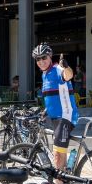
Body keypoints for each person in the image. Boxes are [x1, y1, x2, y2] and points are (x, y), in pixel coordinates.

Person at [33, 44, 78, 173]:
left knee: (58, 155)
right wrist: (45, 111)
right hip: (55, 117)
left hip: (65, 116)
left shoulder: (58, 69)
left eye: (44, 58)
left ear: (50, 57)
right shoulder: (44, 74)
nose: (41, 61)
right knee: (57, 152)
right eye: (38, 59)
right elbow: (54, 96)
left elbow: (68, 75)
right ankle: (65, 178)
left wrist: (66, 67)